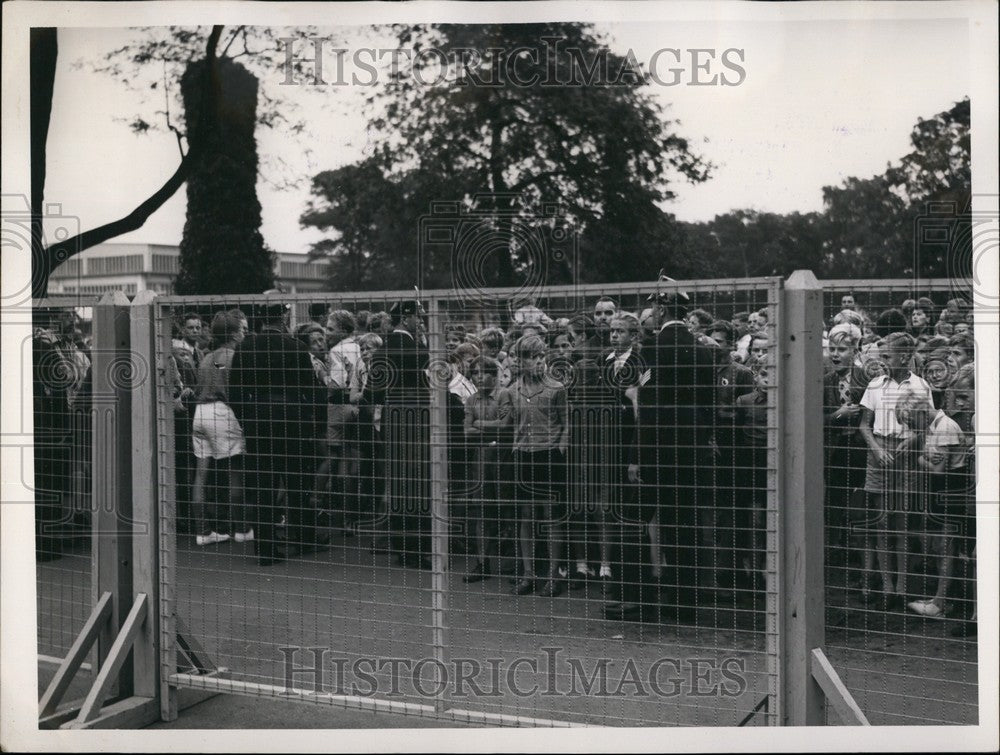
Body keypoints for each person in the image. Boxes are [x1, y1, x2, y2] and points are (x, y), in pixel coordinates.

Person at [618, 291, 718, 624]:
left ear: (661, 309)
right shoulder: (702, 351)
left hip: (657, 452)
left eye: (654, 308)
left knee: (634, 520)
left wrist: (636, 455)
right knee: (685, 526)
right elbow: (709, 405)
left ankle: (640, 598)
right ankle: (684, 603)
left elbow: (648, 407)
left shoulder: (652, 349)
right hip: (691, 452)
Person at [229, 297, 327, 566]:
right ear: (283, 317)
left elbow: (235, 390)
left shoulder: (246, 347)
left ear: (261, 319)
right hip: (292, 421)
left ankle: (266, 548)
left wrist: (247, 420)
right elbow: (311, 390)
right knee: (298, 483)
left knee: (263, 486)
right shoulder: (296, 347)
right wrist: (313, 423)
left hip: (259, 421)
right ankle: (304, 538)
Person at [857, 332, 932, 611]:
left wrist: (914, 439)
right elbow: (864, 425)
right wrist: (876, 449)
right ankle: (886, 586)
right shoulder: (875, 384)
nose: (883, 362)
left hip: (906, 455)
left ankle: (901, 587)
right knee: (881, 521)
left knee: (901, 523)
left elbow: (927, 425)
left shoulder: (921, 385)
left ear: (904, 357)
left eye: (887, 356)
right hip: (880, 454)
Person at [499, 334, 570, 597]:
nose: (538, 361)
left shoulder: (556, 388)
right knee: (526, 516)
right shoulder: (512, 390)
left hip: (548, 457)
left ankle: (553, 575)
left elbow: (567, 424)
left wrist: (559, 449)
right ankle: (529, 574)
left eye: (541, 356)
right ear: (520, 360)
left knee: (551, 516)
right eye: (531, 357)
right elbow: (505, 424)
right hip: (523, 456)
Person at [369, 299, 432, 569]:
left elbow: (373, 393)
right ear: (407, 318)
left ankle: (401, 546)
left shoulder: (383, 349)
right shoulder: (418, 351)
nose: (422, 321)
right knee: (417, 482)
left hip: (392, 420)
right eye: (419, 317)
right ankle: (417, 548)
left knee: (397, 482)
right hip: (415, 421)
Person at [190, 311, 249, 545]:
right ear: (234, 334)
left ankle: (203, 531)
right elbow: (234, 389)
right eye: (242, 330)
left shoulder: (207, 357)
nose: (244, 334)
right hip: (221, 412)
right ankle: (242, 529)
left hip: (200, 412)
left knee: (201, 475)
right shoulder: (233, 356)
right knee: (235, 472)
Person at [461, 356, 512, 583]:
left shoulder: (504, 395)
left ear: (494, 374)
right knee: (481, 510)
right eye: (474, 373)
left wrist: (479, 424)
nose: (478, 377)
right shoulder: (471, 400)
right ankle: (482, 563)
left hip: (503, 458)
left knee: (508, 507)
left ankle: (518, 562)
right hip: (481, 459)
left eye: (483, 372)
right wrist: (486, 429)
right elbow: (466, 431)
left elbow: (505, 426)